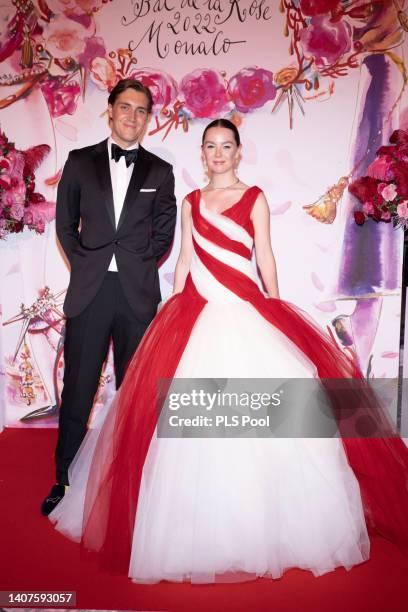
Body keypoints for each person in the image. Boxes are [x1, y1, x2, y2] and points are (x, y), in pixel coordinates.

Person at [49, 119, 408, 583]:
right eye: (211, 147)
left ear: (239, 153)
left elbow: (265, 257)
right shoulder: (191, 202)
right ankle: (187, 529)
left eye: (226, 146)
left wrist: (275, 307)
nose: (218, 154)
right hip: (195, 312)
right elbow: (182, 260)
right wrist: (172, 306)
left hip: (244, 308)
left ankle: (273, 524)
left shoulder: (254, 197)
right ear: (203, 154)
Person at [41, 79, 177, 516]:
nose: (132, 117)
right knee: (77, 390)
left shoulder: (160, 171)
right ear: (111, 111)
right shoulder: (80, 162)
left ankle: (133, 483)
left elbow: (164, 233)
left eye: (141, 110)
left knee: (136, 394)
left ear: (148, 117)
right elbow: (64, 224)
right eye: (125, 108)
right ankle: (64, 480)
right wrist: (88, 264)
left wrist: (137, 265)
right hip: (91, 292)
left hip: (137, 295)